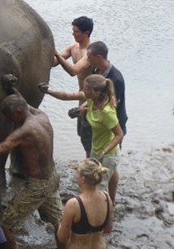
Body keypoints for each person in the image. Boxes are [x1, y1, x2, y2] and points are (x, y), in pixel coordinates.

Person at [0, 94, 64, 249]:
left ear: (19, 113)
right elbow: (26, 103)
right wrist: (12, 89)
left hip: (37, 186)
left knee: (4, 224)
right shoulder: (42, 116)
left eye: (9, 117)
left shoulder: (24, 132)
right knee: (59, 221)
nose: (7, 120)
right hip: (52, 177)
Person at [39, 74, 124, 203]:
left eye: (86, 89)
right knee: (92, 182)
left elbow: (119, 134)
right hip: (96, 150)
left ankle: (106, 213)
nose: (83, 91)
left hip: (108, 154)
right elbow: (67, 96)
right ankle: (98, 208)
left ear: (96, 92)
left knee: (101, 188)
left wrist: (104, 151)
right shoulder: (90, 100)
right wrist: (48, 91)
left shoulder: (107, 112)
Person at [87, 41, 128, 203]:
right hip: (99, 122)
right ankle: (108, 201)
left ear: (98, 57)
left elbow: (112, 107)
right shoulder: (96, 70)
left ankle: (109, 201)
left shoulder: (116, 78)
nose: (87, 59)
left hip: (113, 124)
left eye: (89, 56)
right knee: (106, 166)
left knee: (110, 164)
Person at [53, 16, 94, 156]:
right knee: (82, 132)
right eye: (73, 30)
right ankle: (89, 160)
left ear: (86, 33)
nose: (73, 33)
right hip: (81, 95)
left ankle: (90, 163)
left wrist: (56, 53)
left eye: (76, 31)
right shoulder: (73, 47)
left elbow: (73, 71)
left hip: (92, 97)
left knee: (89, 133)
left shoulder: (90, 53)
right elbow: (54, 62)